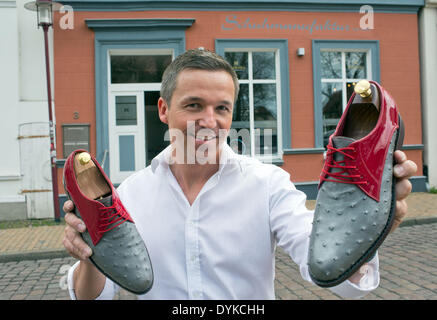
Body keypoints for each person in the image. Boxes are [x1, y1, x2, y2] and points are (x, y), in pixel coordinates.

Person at [63, 49, 417, 300]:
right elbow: (92, 295)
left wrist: (372, 231)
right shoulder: (129, 196)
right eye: (193, 105)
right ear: (163, 109)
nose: (209, 121)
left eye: (222, 108)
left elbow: (329, 273)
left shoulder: (268, 184)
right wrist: (89, 254)